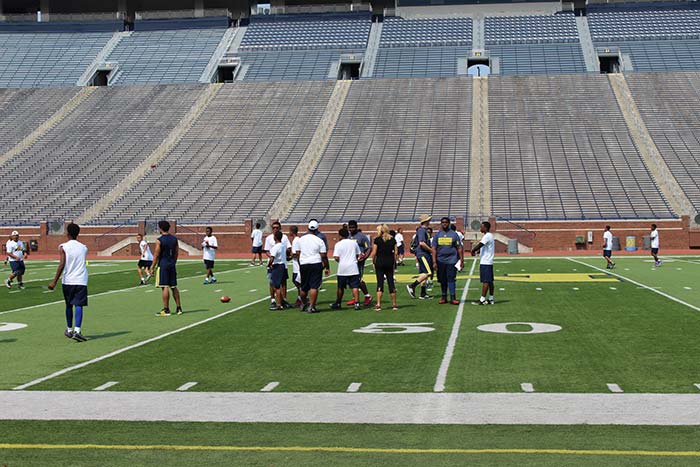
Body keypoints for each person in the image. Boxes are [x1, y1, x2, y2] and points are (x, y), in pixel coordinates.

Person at [48, 223, 88, 342]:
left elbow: (62, 264)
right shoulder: (84, 247)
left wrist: (54, 281)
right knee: (79, 305)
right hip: (81, 279)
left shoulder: (63, 247)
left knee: (68, 305)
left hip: (68, 280)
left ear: (67, 233)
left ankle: (69, 330)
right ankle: (77, 330)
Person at [294, 220, 330, 313]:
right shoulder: (319, 240)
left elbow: (297, 253)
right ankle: (312, 306)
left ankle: (304, 303)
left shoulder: (301, 239)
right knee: (314, 286)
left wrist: (300, 263)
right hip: (315, 263)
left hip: (304, 263)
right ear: (317, 229)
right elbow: (323, 256)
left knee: (304, 287)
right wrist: (326, 267)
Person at [150, 220, 182, 316]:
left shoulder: (159, 240)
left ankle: (166, 309)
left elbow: (156, 254)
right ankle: (179, 308)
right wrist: (173, 262)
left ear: (160, 228)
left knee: (164, 286)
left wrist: (152, 267)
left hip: (163, 264)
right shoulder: (174, 239)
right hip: (172, 264)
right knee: (174, 286)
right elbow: (176, 252)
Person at [433, 217, 463, 305]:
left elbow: (459, 248)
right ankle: (444, 297)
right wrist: (434, 262)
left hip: (452, 261)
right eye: (443, 222)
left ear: (449, 223)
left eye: (446, 222)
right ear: (441, 223)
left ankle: (453, 297)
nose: (444, 224)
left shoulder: (454, 234)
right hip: (440, 261)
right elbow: (434, 248)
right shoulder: (437, 235)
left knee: (451, 279)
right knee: (442, 280)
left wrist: (461, 260)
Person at [330, 228, 362, 311]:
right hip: (353, 267)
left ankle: (338, 302)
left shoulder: (338, 244)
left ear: (340, 235)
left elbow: (336, 257)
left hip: (342, 268)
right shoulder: (353, 243)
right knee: (355, 286)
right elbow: (359, 254)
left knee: (340, 287)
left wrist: (341, 261)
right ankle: (357, 303)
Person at [264, 221, 291, 310]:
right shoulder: (270, 239)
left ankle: (281, 302)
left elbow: (288, 248)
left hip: (277, 264)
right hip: (280, 263)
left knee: (279, 284)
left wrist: (270, 262)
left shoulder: (282, 239)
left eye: (277, 228)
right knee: (273, 282)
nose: (275, 229)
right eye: (274, 228)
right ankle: (273, 300)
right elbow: (267, 251)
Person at [371, 224, 398, 311]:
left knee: (380, 283)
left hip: (380, 262)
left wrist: (373, 262)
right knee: (391, 283)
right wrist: (394, 262)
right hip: (389, 262)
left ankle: (378, 304)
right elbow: (396, 253)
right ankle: (394, 304)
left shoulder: (377, 240)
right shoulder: (393, 239)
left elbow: (374, 253)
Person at [407, 214, 433, 299]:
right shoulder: (422, 230)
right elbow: (422, 243)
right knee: (428, 273)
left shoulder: (424, 230)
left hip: (424, 253)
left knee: (423, 273)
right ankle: (412, 285)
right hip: (423, 254)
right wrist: (431, 250)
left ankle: (423, 293)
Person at [347, 220, 372, 307]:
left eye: (353, 227)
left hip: (359, 262)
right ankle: (355, 297)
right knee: (350, 280)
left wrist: (364, 257)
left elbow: (368, 248)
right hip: (349, 262)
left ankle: (367, 296)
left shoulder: (362, 237)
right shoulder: (347, 236)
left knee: (358, 280)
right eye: (350, 227)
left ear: (356, 227)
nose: (351, 229)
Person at [471, 221, 495, 306]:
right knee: (490, 281)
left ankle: (482, 299)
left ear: (485, 227)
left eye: (481, 227)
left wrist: (473, 250)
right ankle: (491, 299)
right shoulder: (489, 236)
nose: (480, 228)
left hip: (486, 262)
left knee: (485, 281)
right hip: (488, 261)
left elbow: (480, 244)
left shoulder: (487, 236)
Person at [267, 230, 287, 311]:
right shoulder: (282, 245)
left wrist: (269, 264)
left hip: (277, 266)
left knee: (277, 286)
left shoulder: (276, 247)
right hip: (283, 265)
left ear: (275, 237)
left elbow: (272, 257)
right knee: (282, 284)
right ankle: (282, 301)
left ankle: (279, 304)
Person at [288, 225, 302, 305]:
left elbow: (297, 253)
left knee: (297, 282)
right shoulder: (296, 240)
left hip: (297, 266)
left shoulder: (296, 241)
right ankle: (300, 297)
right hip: (296, 265)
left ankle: (301, 298)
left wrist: (290, 256)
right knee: (296, 282)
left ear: (292, 231)